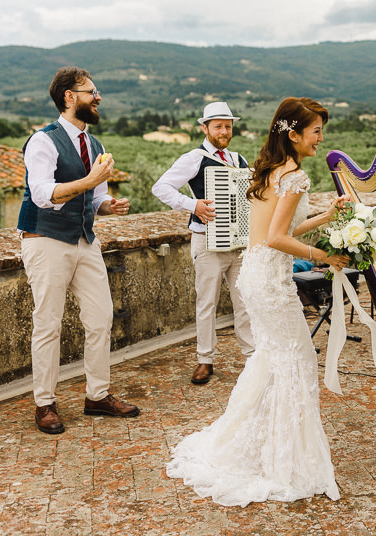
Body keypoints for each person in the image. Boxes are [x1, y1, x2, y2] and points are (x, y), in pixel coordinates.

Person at [166, 97, 350, 506]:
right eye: (316, 130)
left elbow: (277, 228)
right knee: (297, 359)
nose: (321, 138)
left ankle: (261, 445)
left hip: (255, 272)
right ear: (294, 133)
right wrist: (324, 256)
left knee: (272, 359)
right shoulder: (295, 175)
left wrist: (325, 217)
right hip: (270, 281)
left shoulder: (268, 169)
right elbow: (278, 238)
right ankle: (286, 460)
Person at [18, 66, 139, 434]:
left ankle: (97, 396)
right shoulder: (43, 140)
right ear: (69, 97)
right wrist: (89, 181)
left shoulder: (96, 145)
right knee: (48, 324)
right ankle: (45, 404)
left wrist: (108, 205)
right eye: (90, 92)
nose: (97, 97)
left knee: (101, 318)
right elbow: (41, 193)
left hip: (86, 240)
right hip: (46, 240)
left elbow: (96, 196)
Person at [152, 102, 254, 384]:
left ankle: (252, 357)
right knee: (206, 303)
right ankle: (204, 360)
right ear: (205, 128)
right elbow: (160, 187)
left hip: (239, 244)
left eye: (228, 126)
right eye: (218, 126)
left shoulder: (239, 159)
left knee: (244, 301)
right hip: (206, 242)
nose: (224, 131)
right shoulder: (194, 158)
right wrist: (193, 205)